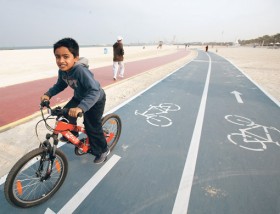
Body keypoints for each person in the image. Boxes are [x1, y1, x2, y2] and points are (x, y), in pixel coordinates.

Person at [40, 38, 109, 164]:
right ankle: (74, 135)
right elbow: (60, 85)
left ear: (75, 58)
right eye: (57, 57)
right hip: (79, 97)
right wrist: (48, 94)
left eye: (66, 56)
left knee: (92, 127)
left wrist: (81, 108)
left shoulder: (80, 70)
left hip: (94, 99)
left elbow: (94, 91)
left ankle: (103, 150)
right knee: (64, 114)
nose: (61, 61)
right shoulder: (62, 71)